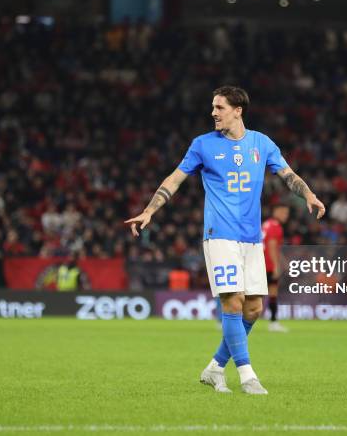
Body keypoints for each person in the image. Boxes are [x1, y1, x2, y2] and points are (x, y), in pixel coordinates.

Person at [126, 86, 325, 395]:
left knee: (254, 308)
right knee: (232, 301)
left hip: (251, 238)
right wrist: (150, 210)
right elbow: (174, 179)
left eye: (219, 107)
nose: (213, 113)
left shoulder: (262, 143)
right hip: (219, 236)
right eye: (213, 107)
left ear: (237, 110)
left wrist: (309, 194)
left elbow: (288, 175)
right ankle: (247, 376)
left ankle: (215, 368)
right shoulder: (203, 145)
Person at [262, 204, 290, 332]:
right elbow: (272, 246)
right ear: (276, 211)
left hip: (260, 263)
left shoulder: (266, 224)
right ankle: (273, 322)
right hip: (268, 265)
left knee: (254, 294)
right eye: (283, 212)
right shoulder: (275, 226)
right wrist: (276, 266)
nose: (286, 216)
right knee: (273, 293)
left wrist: (283, 262)